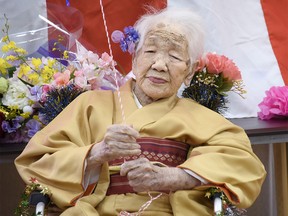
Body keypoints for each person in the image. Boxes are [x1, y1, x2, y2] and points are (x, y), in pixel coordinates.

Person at [15, 7, 266, 216]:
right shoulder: (89, 105)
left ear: (190, 72)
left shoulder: (202, 117)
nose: (159, 65)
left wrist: (173, 177)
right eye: (150, 51)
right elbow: (37, 163)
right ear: (134, 59)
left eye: (174, 57)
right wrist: (96, 153)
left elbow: (245, 166)